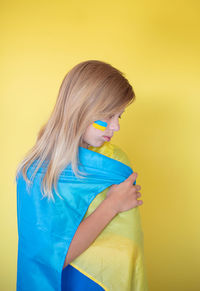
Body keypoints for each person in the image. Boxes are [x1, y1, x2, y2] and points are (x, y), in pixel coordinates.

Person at [15, 60, 148, 290]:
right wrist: (112, 205)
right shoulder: (39, 172)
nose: (116, 127)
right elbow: (51, 258)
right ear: (80, 110)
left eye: (120, 116)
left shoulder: (111, 159)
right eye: (108, 116)